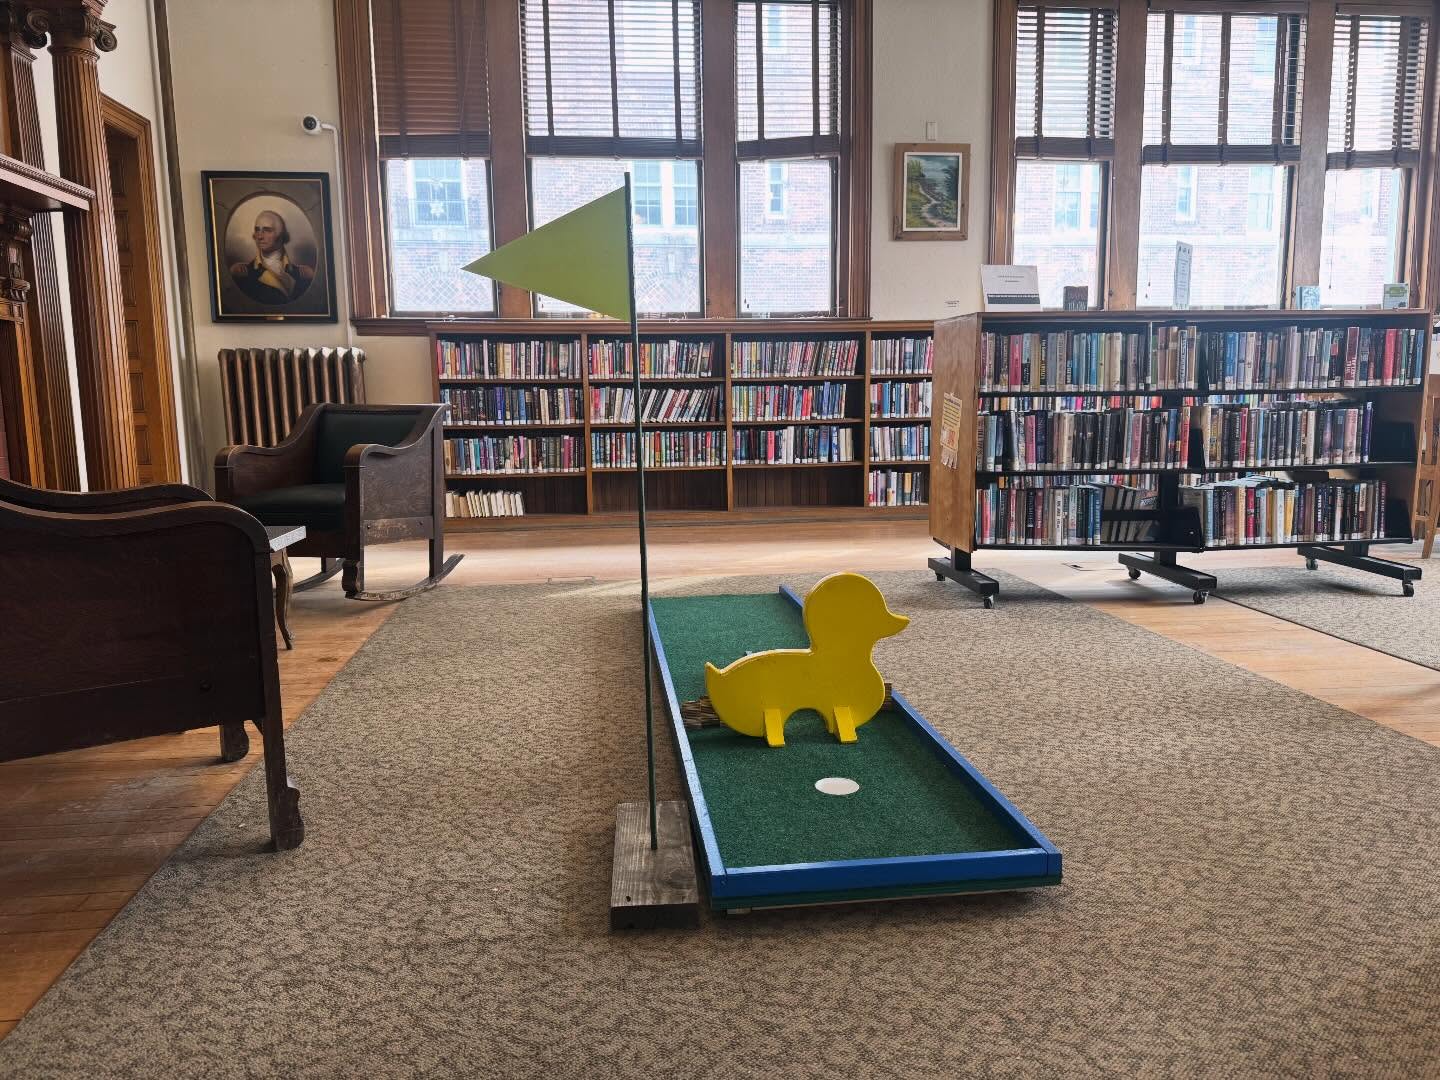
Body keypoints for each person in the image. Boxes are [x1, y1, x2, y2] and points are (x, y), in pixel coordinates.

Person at [229, 209, 315, 305]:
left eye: (267, 230)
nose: (260, 236)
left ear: (281, 235)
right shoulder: (243, 274)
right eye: (257, 230)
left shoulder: (303, 274)